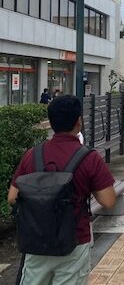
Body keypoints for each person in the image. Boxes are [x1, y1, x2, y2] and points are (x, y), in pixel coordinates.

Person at [8, 96, 116, 285]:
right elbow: (108, 201)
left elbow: (12, 197)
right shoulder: (89, 158)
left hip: (36, 243)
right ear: (78, 122)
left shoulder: (33, 154)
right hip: (74, 241)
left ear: (51, 122)